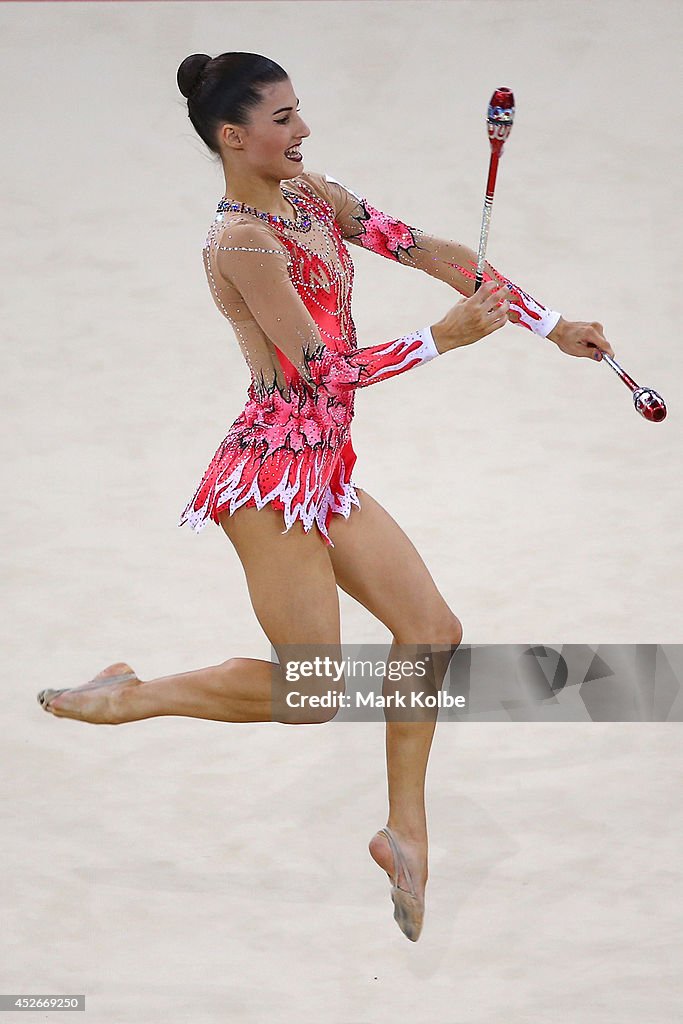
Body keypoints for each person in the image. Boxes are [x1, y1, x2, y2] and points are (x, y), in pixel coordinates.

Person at [37, 52, 614, 942]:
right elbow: (321, 373)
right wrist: (441, 341)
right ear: (234, 137)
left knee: (431, 630)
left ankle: (405, 835)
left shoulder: (314, 196)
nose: (301, 130)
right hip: (269, 481)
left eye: (300, 112)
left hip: (325, 475)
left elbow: (438, 253)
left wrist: (550, 324)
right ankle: (128, 695)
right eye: (281, 118)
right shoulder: (239, 241)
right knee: (310, 692)